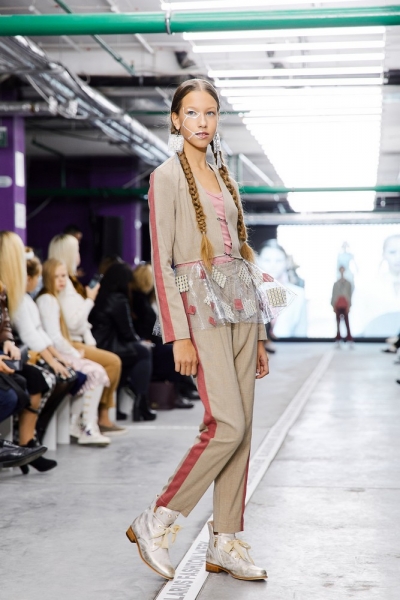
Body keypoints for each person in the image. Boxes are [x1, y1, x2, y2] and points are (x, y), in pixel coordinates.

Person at [125, 79, 287, 582]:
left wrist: (260, 334)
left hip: (241, 310)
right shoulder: (165, 177)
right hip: (199, 308)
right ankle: (159, 518)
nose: (202, 121)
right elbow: (163, 261)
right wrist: (178, 334)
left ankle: (226, 540)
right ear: (176, 119)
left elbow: (242, 257)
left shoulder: (223, 175)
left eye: (210, 113)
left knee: (244, 431)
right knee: (226, 425)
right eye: (192, 113)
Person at [48, 234, 124, 434]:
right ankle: (99, 416)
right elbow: (73, 322)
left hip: (77, 341)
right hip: (71, 342)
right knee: (113, 362)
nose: (79, 255)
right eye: (77, 250)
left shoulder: (70, 282)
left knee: (113, 361)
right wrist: (90, 299)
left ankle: (98, 416)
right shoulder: (65, 284)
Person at [36, 259, 111, 446]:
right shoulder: (48, 300)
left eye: (64, 276)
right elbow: (54, 337)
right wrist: (75, 354)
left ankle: (79, 423)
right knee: (96, 372)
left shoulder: (52, 298)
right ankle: (87, 427)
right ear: (47, 278)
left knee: (96, 371)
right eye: (57, 277)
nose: (62, 280)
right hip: (56, 354)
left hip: (59, 352)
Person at [0, 231, 57, 473]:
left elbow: (5, 324)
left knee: (30, 382)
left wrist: (7, 341)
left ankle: (26, 441)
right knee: (25, 385)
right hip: (14, 354)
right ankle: (22, 442)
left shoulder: (8, 290)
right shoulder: (16, 292)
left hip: (9, 352)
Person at [89, 262, 156, 423]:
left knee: (135, 355)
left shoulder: (100, 295)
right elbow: (127, 333)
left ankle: (126, 402)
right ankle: (141, 403)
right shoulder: (119, 299)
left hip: (97, 343)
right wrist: (142, 342)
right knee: (143, 352)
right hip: (108, 346)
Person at [131, 262, 198, 405]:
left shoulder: (146, 299)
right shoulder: (139, 301)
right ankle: (179, 391)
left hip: (152, 341)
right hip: (148, 343)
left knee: (175, 348)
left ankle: (184, 388)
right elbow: (144, 327)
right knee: (172, 351)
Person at [351, 233, 400, 336]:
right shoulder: (367, 287)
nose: (398, 257)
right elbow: (355, 325)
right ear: (384, 254)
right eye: (392, 252)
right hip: (374, 343)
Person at [257, 239, 307, 337]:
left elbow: (301, 334)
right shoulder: (248, 292)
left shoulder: (298, 295)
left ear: (286, 262)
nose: (273, 265)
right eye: (267, 260)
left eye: (278, 260)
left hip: (289, 346)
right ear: (259, 261)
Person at [331, 266, 353, 343]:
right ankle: (338, 338)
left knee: (347, 322)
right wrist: (333, 305)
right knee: (338, 323)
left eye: (343, 270)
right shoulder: (336, 284)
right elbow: (334, 294)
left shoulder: (348, 283)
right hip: (338, 305)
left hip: (345, 305)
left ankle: (349, 338)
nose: (342, 271)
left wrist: (349, 305)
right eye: (341, 270)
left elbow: (350, 295)